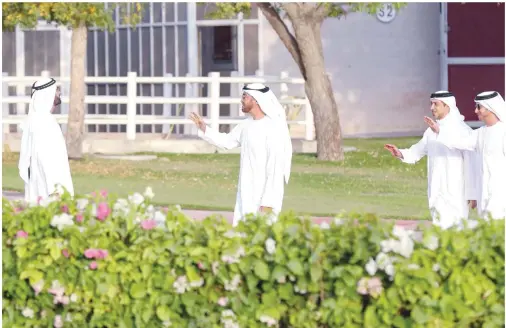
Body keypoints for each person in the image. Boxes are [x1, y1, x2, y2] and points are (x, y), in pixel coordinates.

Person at [189, 83, 292, 226]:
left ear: (255, 99)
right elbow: (227, 141)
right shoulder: (246, 125)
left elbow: (275, 169)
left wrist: (269, 202)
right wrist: (204, 128)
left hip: (265, 198)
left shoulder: (273, 129)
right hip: (246, 192)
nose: (241, 100)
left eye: (244, 96)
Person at [384, 91, 478, 229]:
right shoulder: (430, 131)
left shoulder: (463, 130)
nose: (432, 108)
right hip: (436, 188)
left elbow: (471, 163)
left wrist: (472, 193)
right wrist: (400, 153)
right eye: (431, 104)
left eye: (436, 104)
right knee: (439, 229)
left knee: (456, 232)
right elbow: (417, 150)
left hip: (456, 191)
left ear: (447, 106)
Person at [424, 91, 506, 220]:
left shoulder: (503, 132)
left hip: (501, 192)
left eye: (479, 107)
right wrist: (439, 130)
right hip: (485, 192)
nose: (476, 111)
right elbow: (460, 142)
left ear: (490, 108)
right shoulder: (480, 133)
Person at [18, 78, 74, 203]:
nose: (56, 103)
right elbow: (47, 159)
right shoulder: (45, 123)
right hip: (49, 192)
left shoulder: (33, 121)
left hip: (39, 189)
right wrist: (55, 189)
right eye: (56, 96)